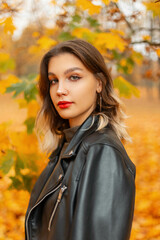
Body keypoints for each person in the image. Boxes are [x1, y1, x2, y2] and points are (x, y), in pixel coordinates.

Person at [25, 38, 136, 240]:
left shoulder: (102, 151)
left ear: (99, 84)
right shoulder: (66, 147)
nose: (60, 90)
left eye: (74, 77)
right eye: (53, 80)